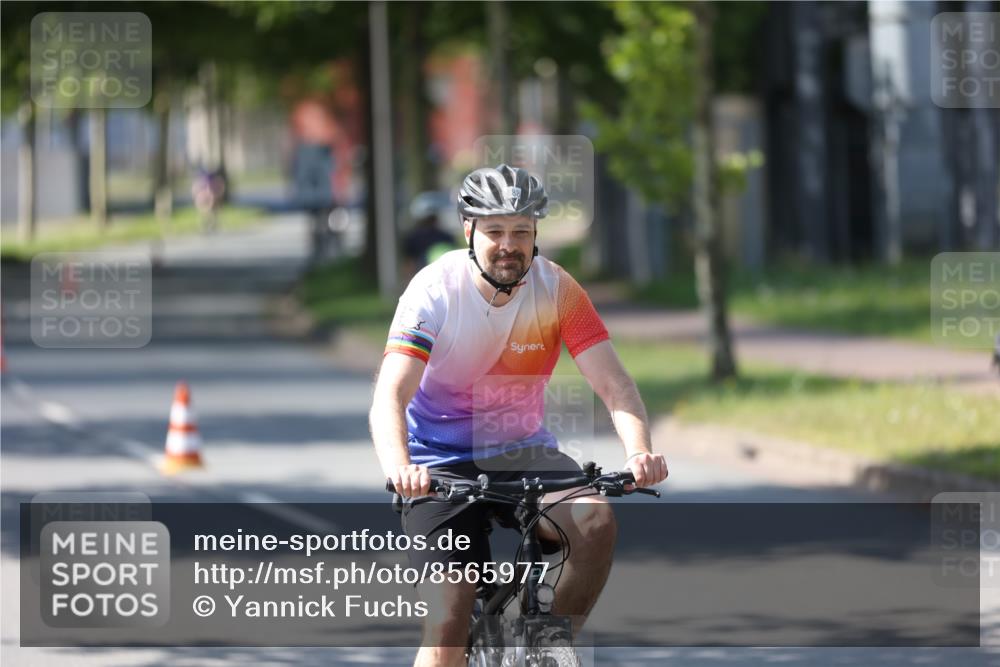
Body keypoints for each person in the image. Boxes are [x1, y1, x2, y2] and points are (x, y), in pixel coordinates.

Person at [370, 164, 668, 667]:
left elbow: (614, 384)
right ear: (468, 230)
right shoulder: (433, 291)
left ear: (535, 235)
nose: (509, 244)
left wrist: (639, 452)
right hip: (436, 463)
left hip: (522, 451)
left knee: (594, 519)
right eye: (495, 231)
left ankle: (545, 646)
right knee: (448, 615)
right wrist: (401, 469)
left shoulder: (558, 290)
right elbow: (390, 396)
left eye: (522, 232)